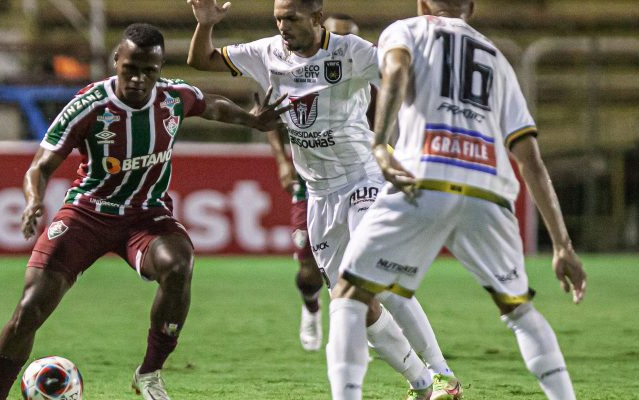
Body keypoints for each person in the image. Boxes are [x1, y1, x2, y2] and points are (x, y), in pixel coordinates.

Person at [0, 23, 289, 400]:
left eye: (150, 71)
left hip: (146, 215)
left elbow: (211, 105)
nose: (140, 79)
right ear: (116, 62)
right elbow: (40, 166)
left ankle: (149, 373)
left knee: (179, 265)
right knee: (30, 308)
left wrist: (252, 119)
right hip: (88, 214)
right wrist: (34, 200)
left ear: (159, 69)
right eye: (131, 69)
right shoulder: (90, 104)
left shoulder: (172, 98)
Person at [187, 1, 461, 398]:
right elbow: (201, 60)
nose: (283, 25)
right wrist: (205, 25)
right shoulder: (268, 53)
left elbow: (404, 79)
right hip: (318, 192)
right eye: (278, 18)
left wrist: (396, 140)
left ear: (316, 18)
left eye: (292, 18)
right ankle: (422, 383)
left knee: (373, 279)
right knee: (351, 303)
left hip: (362, 178)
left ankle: (443, 374)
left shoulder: (351, 51)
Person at [326, 0, 588, 399]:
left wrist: (379, 144)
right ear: (470, 7)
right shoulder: (497, 57)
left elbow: (395, 70)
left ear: (422, 3)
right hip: (488, 189)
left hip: (425, 177)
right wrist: (562, 245)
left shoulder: (406, 29)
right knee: (519, 312)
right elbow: (530, 158)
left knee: (349, 295)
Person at [265, 13, 361, 353]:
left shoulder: (364, 80)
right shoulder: (291, 69)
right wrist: (281, 160)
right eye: (333, 36)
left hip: (356, 179)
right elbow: (269, 115)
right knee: (308, 269)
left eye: (346, 39)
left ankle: (359, 328)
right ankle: (311, 306)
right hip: (311, 183)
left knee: (365, 259)